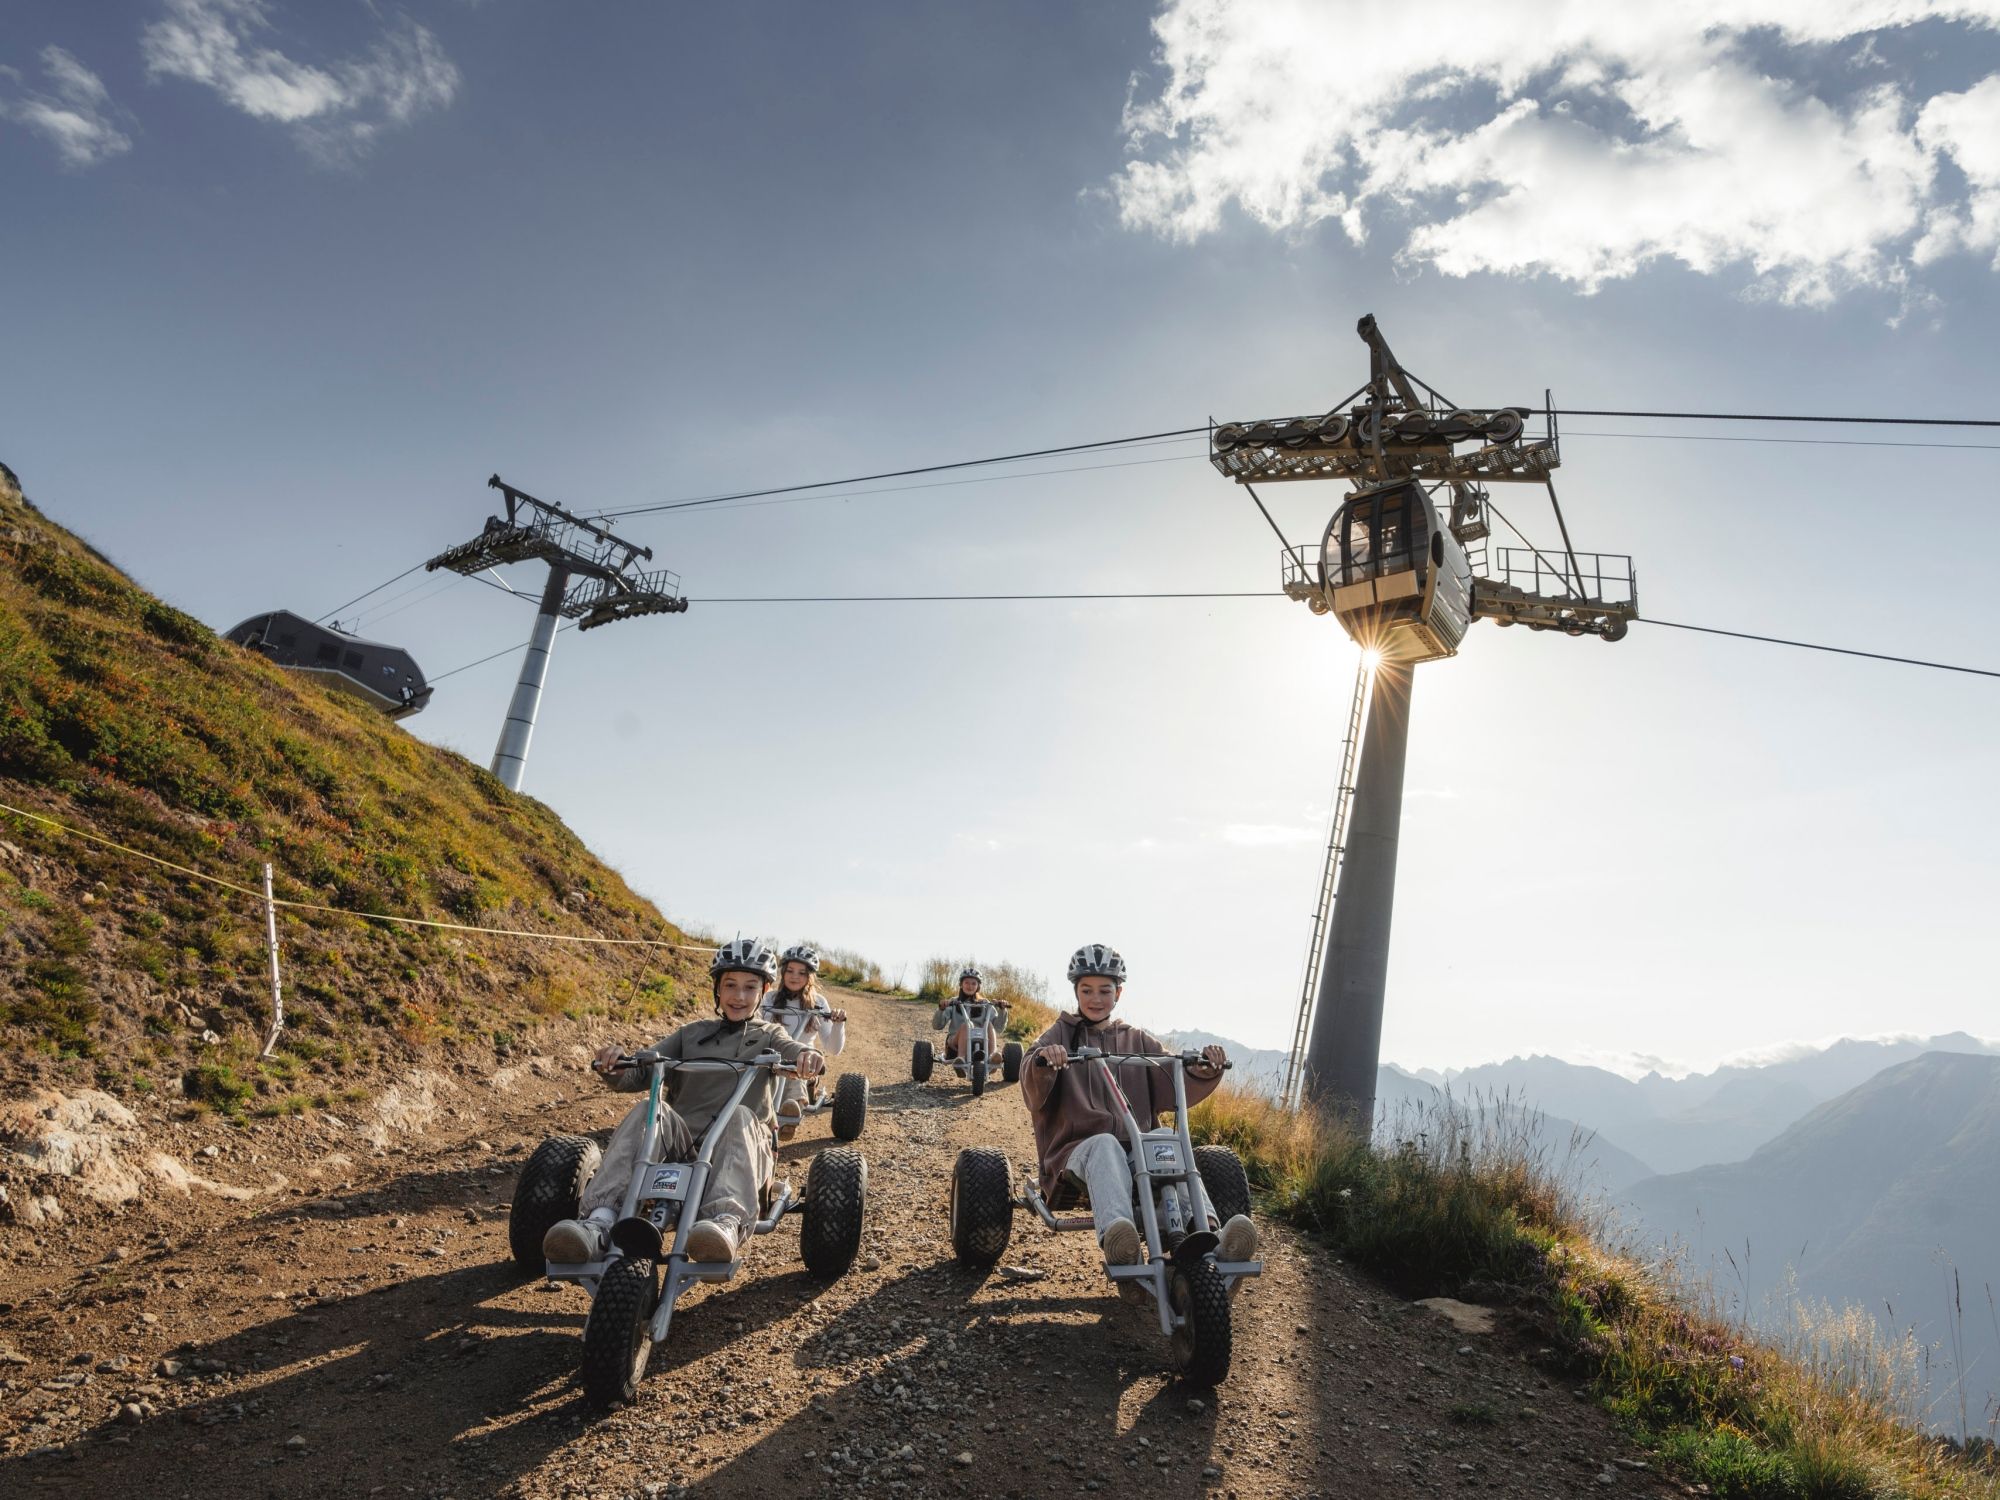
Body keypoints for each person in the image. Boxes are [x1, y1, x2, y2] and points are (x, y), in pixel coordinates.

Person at [541, 938, 824, 1266]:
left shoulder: (769, 1034)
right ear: (717, 988)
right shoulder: (690, 1034)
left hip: (737, 1147)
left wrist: (807, 1056)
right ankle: (600, 1221)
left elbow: (792, 1049)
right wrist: (616, 1064)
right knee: (650, 1111)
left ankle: (724, 1224)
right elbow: (641, 1071)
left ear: (764, 991)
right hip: (681, 1146)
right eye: (730, 985)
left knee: (740, 1115)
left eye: (750, 987)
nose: (739, 996)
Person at [1019, 943, 1259, 1269]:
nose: (1096, 998)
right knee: (1105, 1144)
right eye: (1087, 990)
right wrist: (1045, 1061)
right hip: (1077, 1152)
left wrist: (1204, 1068)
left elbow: (1167, 1077)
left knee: (1163, 1136)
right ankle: (1121, 1238)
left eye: (1105, 990)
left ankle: (1210, 1238)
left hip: (1137, 1149)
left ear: (1118, 994)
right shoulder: (1061, 1033)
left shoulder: (1137, 1039)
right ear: (1076, 992)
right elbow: (1031, 1069)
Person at [761, 944, 848, 1142]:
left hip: (802, 1064)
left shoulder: (818, 1003)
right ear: (783, 973)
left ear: (809, 976)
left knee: (795, 1071)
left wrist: (837, 1025)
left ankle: (790, 1113)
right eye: (790, 971)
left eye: (801, 972)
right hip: (771, 1062)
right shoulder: (769, 999)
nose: (794, 976)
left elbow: (833, 1049)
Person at [933, 965, 1000, 1062]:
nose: (970, 986)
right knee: (966, 1026)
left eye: (973, 983)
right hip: (955, 1044)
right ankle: (961, 1060)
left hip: (981, 1042)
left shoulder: (985, 1003)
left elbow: (998, 1028)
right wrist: (941, 1010)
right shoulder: (953, 1002)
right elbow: (937, 1026)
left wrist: (1002, 1010)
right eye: (967, 983)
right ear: (961, 984)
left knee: (988, 1024)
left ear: (978, 987)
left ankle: (992, 1057)